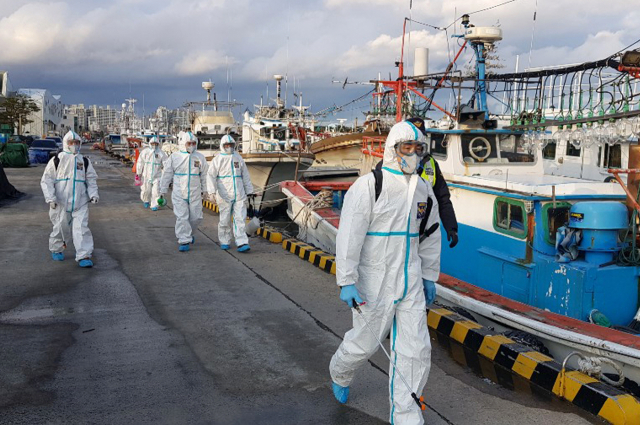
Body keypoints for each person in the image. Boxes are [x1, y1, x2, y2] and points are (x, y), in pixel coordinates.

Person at [329, 120, 441, 425]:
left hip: (410, 281)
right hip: (374, 282)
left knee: (416, 350)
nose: (413, 154)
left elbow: (430, 233)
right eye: (407, 148)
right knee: (365, 342)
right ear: (393, 149)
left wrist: (429, 275)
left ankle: (408, 417)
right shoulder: (370, 185)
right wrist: (347, 280)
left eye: (418, 149)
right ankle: (340, 370)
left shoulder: (422, 189)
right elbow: (350, 234)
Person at [375, 116, 458, 248]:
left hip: (419, 235)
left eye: (419, 141)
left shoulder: (431, 164)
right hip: (391, 236)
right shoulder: (385, 167)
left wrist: (451, 227)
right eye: (409, 144)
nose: (414, 148)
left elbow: (443, 198)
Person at [40, 130, 99, 267]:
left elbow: (91, 180)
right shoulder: (57, 160)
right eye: (71, 142)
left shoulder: (84, 161)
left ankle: (84, 255)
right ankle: (56, 248)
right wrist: (50, 198)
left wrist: (93, 194)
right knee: (61, 227)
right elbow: (47, 180)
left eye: (77, 142)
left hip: (81, 201)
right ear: (66, 143)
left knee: (81, 229)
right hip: (60, 202)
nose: (74, 145)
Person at [159, 131, 208, 252]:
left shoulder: (200, 157)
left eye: (193, 143)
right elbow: (167, 174)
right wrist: (162, 190)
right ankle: (184, 239)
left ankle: (188, 233)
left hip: (195, 192)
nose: (191, 145)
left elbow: (205, 175)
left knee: (197, 217)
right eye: (189, 143)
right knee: (182, 216)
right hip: (179, 192)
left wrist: (206, 190)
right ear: (183, 143)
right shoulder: (175, 157)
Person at [206, 135, 254, 252]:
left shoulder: (238, 158)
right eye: (226, 145)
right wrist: (211, 192)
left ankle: (242, 242)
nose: (229, 147)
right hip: (224, 194)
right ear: (222, 146)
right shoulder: (217, 159)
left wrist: (249, 191)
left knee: (240, 218)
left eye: (231, 145)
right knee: (225, 219)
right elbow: (211, 176)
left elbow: (245, 176)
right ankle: (224, 240)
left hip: (239, 193)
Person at [136, 136, 168, 211]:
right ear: (150, 143)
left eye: (156, 143)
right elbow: (140, 162)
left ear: (158, 144)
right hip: (146, 175)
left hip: (157, 176)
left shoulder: (161, 153)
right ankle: (146, 200)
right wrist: (138, 173)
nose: (154, 145)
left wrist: (166, 174)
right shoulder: (145, 152)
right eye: (153, 143)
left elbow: (166, 163)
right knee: (145, 190)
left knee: (156, 191)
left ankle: (154, 204)